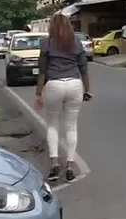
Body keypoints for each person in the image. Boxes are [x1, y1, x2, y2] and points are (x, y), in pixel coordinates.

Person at [34, 12, 92, 182]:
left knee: (53, 124)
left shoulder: (47, 44)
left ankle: (54, 165)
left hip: (54, 84)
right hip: (74, 84)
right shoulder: (76, 43)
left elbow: (42, 71)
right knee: (71, 126)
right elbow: (84, 69)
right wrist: (88, 90)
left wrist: (38, 93)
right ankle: (69, 166)